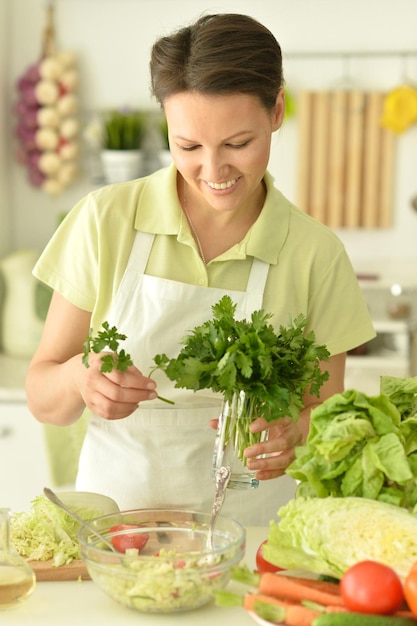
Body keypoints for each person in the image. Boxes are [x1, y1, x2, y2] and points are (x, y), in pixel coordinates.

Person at [26, 13, 375, 525]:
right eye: (188, 146)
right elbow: (42, 397)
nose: (213, 173)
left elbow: (323, 419)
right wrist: (82, 380)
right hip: (118, 538)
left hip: (254, 539)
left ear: (276, 110)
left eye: (238, 144)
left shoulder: (315, 253)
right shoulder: (106, 219)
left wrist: (295, 436)